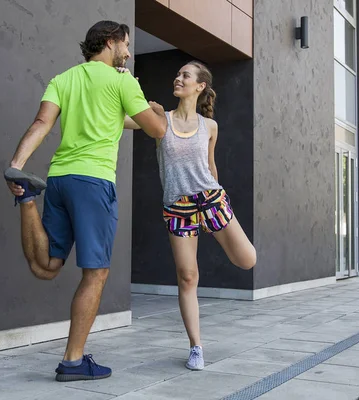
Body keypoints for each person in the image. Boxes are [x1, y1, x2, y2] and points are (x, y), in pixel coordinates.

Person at [4, 20, 167, 382]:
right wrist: (152, 107)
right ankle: (73, 362)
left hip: (60, 178)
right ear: (110, 42)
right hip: (94, 184)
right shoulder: (122, 81)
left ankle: (28, 197)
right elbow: (157, 130)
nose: (128, 52)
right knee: (96, 273)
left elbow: (42, 122)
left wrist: (17, 165)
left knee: (45, 266)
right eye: (125, 45)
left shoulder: (63, 79)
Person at [124, 61, 257, 371]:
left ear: (200, 86)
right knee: (188, 277)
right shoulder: (160, 121)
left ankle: (215, 226)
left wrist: (218, 209)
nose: (178, 77)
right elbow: (120, 119)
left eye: (185, 75)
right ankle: (196, 347)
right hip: (178, 207)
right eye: (178, 72)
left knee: (247, 260)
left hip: (211, 199)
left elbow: (210, 167)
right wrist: (125, 85)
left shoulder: (210, 126)